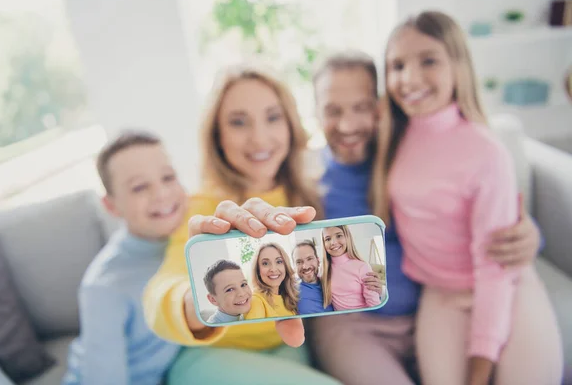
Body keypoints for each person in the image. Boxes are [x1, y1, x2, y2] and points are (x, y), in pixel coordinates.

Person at [226, 50, 546, 385]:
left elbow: (475, 216)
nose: (348, 125)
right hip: (352, 325)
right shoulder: (305, 179)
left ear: (381, 107)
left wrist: (529, 236)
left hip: (430, 313)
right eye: (333, 111)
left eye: (362, 108)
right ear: (316, 114)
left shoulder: (411, 162)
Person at [374, 11, 563, 385]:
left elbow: (494, 266)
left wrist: (481, 363)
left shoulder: (486, 151)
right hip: (441, 296)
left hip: (505, 287)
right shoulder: (391, 141)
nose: (409, 78)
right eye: (397, 65)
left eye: (428, 60)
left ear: (457, 65)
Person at [142, 64, 340, 385]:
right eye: (238, 122)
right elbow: (160, 291)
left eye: (273, 117)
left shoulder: (309, 196)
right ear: (217, 136)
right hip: (210, 356)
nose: (259, 138)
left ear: (290, 125)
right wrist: (197, 302)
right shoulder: (204, 208)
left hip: (285, 346)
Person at [62, 131, 185, 385]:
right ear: (111, 206)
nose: (161, 194)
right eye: (139, 187)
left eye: (168, 177)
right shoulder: (103, 287)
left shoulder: (188, 235)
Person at [320, 226, 381, 310]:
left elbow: (374, 304)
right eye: (327, 239)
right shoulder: (323, 270)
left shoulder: (362, 266)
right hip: (339, 320)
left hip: (363, 319)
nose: (333, 242)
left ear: (347, 237)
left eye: (339, 236)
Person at [245, 243, 299, 319]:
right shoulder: (256, 301)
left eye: (279, 262)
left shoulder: (288, 297)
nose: (273, 269)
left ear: (285, 267)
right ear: (258, 270)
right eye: (265, 263)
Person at [203, 259, 252, 324]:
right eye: (230, 289)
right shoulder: (213, 330)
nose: (242, 293)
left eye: (243, 284)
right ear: (213, 299)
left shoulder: (253, 312)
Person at [292, 240, 335, 314]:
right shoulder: (291, 290)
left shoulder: (330, 284)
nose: (305, 266)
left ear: (318, 261)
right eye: (299, 262)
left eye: (309, 259)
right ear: (294, 267)